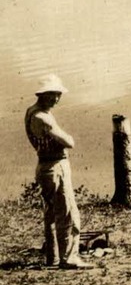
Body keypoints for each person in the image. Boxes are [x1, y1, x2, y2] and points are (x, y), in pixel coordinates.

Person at [26, 74, 88, 270]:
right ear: (42, 95)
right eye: (52, 95)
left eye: (58, 95)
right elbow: (69, 142)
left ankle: (52, 257)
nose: (56, 99)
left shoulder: (32, 112)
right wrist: (67, 136)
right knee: (68, 212)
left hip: (44, 165)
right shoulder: (42, 118)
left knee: (51, 213)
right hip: (55, 166)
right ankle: (69, 258)